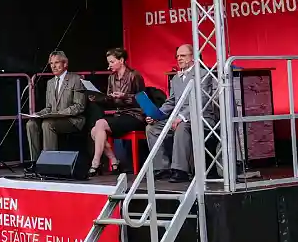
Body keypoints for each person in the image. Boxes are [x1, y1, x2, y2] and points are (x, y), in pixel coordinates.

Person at [145, 43, 214, 183]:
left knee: (182, 126)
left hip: (202, 117)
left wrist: (181, 117)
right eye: (177, 56)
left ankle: (180, 170)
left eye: (183, 56)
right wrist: (157, 115)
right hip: (179, 117)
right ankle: (162, 168)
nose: (179, 59)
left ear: (193, 58)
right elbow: (171, 102)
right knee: (152, 128)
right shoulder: (176, 78)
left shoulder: (203, 74)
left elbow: (202, 101)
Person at [87, 47, 146, 176]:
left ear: (122, 60)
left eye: (112, 62)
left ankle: (95, 164)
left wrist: (124, 96)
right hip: (120, 114)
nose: (110, 66)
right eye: (109, 62)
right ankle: (114, 161)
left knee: (100, 124)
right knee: (94, 131)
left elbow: (142, 99)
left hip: (135, 115)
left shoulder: (134, 75)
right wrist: (97, 98)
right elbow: (110, 100)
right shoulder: (111, 78)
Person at [26, 51, 87, 163]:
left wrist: (60, 113)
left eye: (57, 62)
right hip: (54, 118)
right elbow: (49, 107)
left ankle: (50, 163)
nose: (53, 66)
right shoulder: (50, 83)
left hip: (73, 120)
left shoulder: (76, 79)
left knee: (47, 124)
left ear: (65, 64)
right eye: (51, 63)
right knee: (31, 123)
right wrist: (38, 114)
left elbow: (79, 106)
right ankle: (34, 162)